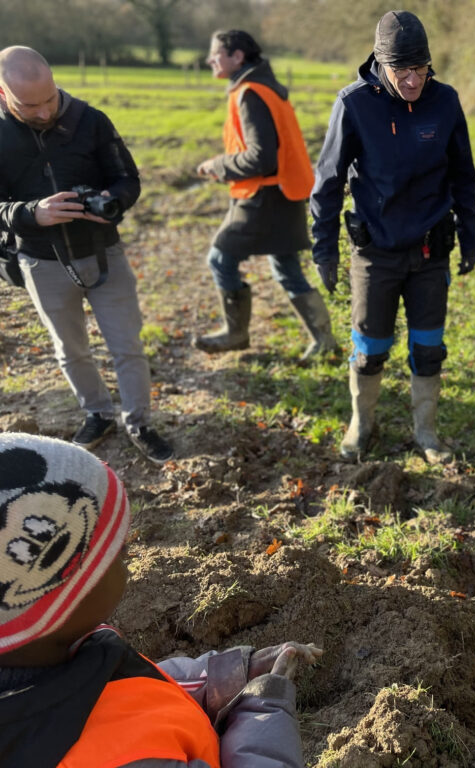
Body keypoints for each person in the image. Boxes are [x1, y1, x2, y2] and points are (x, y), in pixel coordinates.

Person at [0, 432, 323, 766]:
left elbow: (134, 688)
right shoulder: (109, 758)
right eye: (118, 553)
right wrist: (263, 707)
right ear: (58, 601)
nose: (130, 556)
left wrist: (232, 674)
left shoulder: (58, 651)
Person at [311, 10, 475, 464]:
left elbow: (464, 175)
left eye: (421, 69)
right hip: (376, 253)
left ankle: (426, 432)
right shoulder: (353, 105)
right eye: (402, 71)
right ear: (381, 65)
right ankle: (361, 424)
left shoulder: (445, 102)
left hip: (430, 250)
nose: (413, 81)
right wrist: (324, 248)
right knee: (370, 350)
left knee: (429, 349)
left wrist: (471, 233)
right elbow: (327, 185)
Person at [0, 46, 174, 464]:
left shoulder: (90, 120)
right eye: (31, 105)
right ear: (3, 94)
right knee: (70, 348)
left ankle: (140, 423)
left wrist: (113, 199)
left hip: (103, 253)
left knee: (127, 345)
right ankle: (98, 413)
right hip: (41, 261)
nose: (45, 113)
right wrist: (31, 214)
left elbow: (127, 178)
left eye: (50, 99)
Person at [195, 29, 337, 360]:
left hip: (264, 198)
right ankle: (324, 340)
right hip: (281, 194)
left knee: (220, 259)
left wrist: (219, 164)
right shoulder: (265, 88)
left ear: (237, 56)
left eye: (216, 53)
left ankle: (236, 332)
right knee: (287, 269)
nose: (209, 59)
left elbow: (262, 157)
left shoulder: (251, 93)